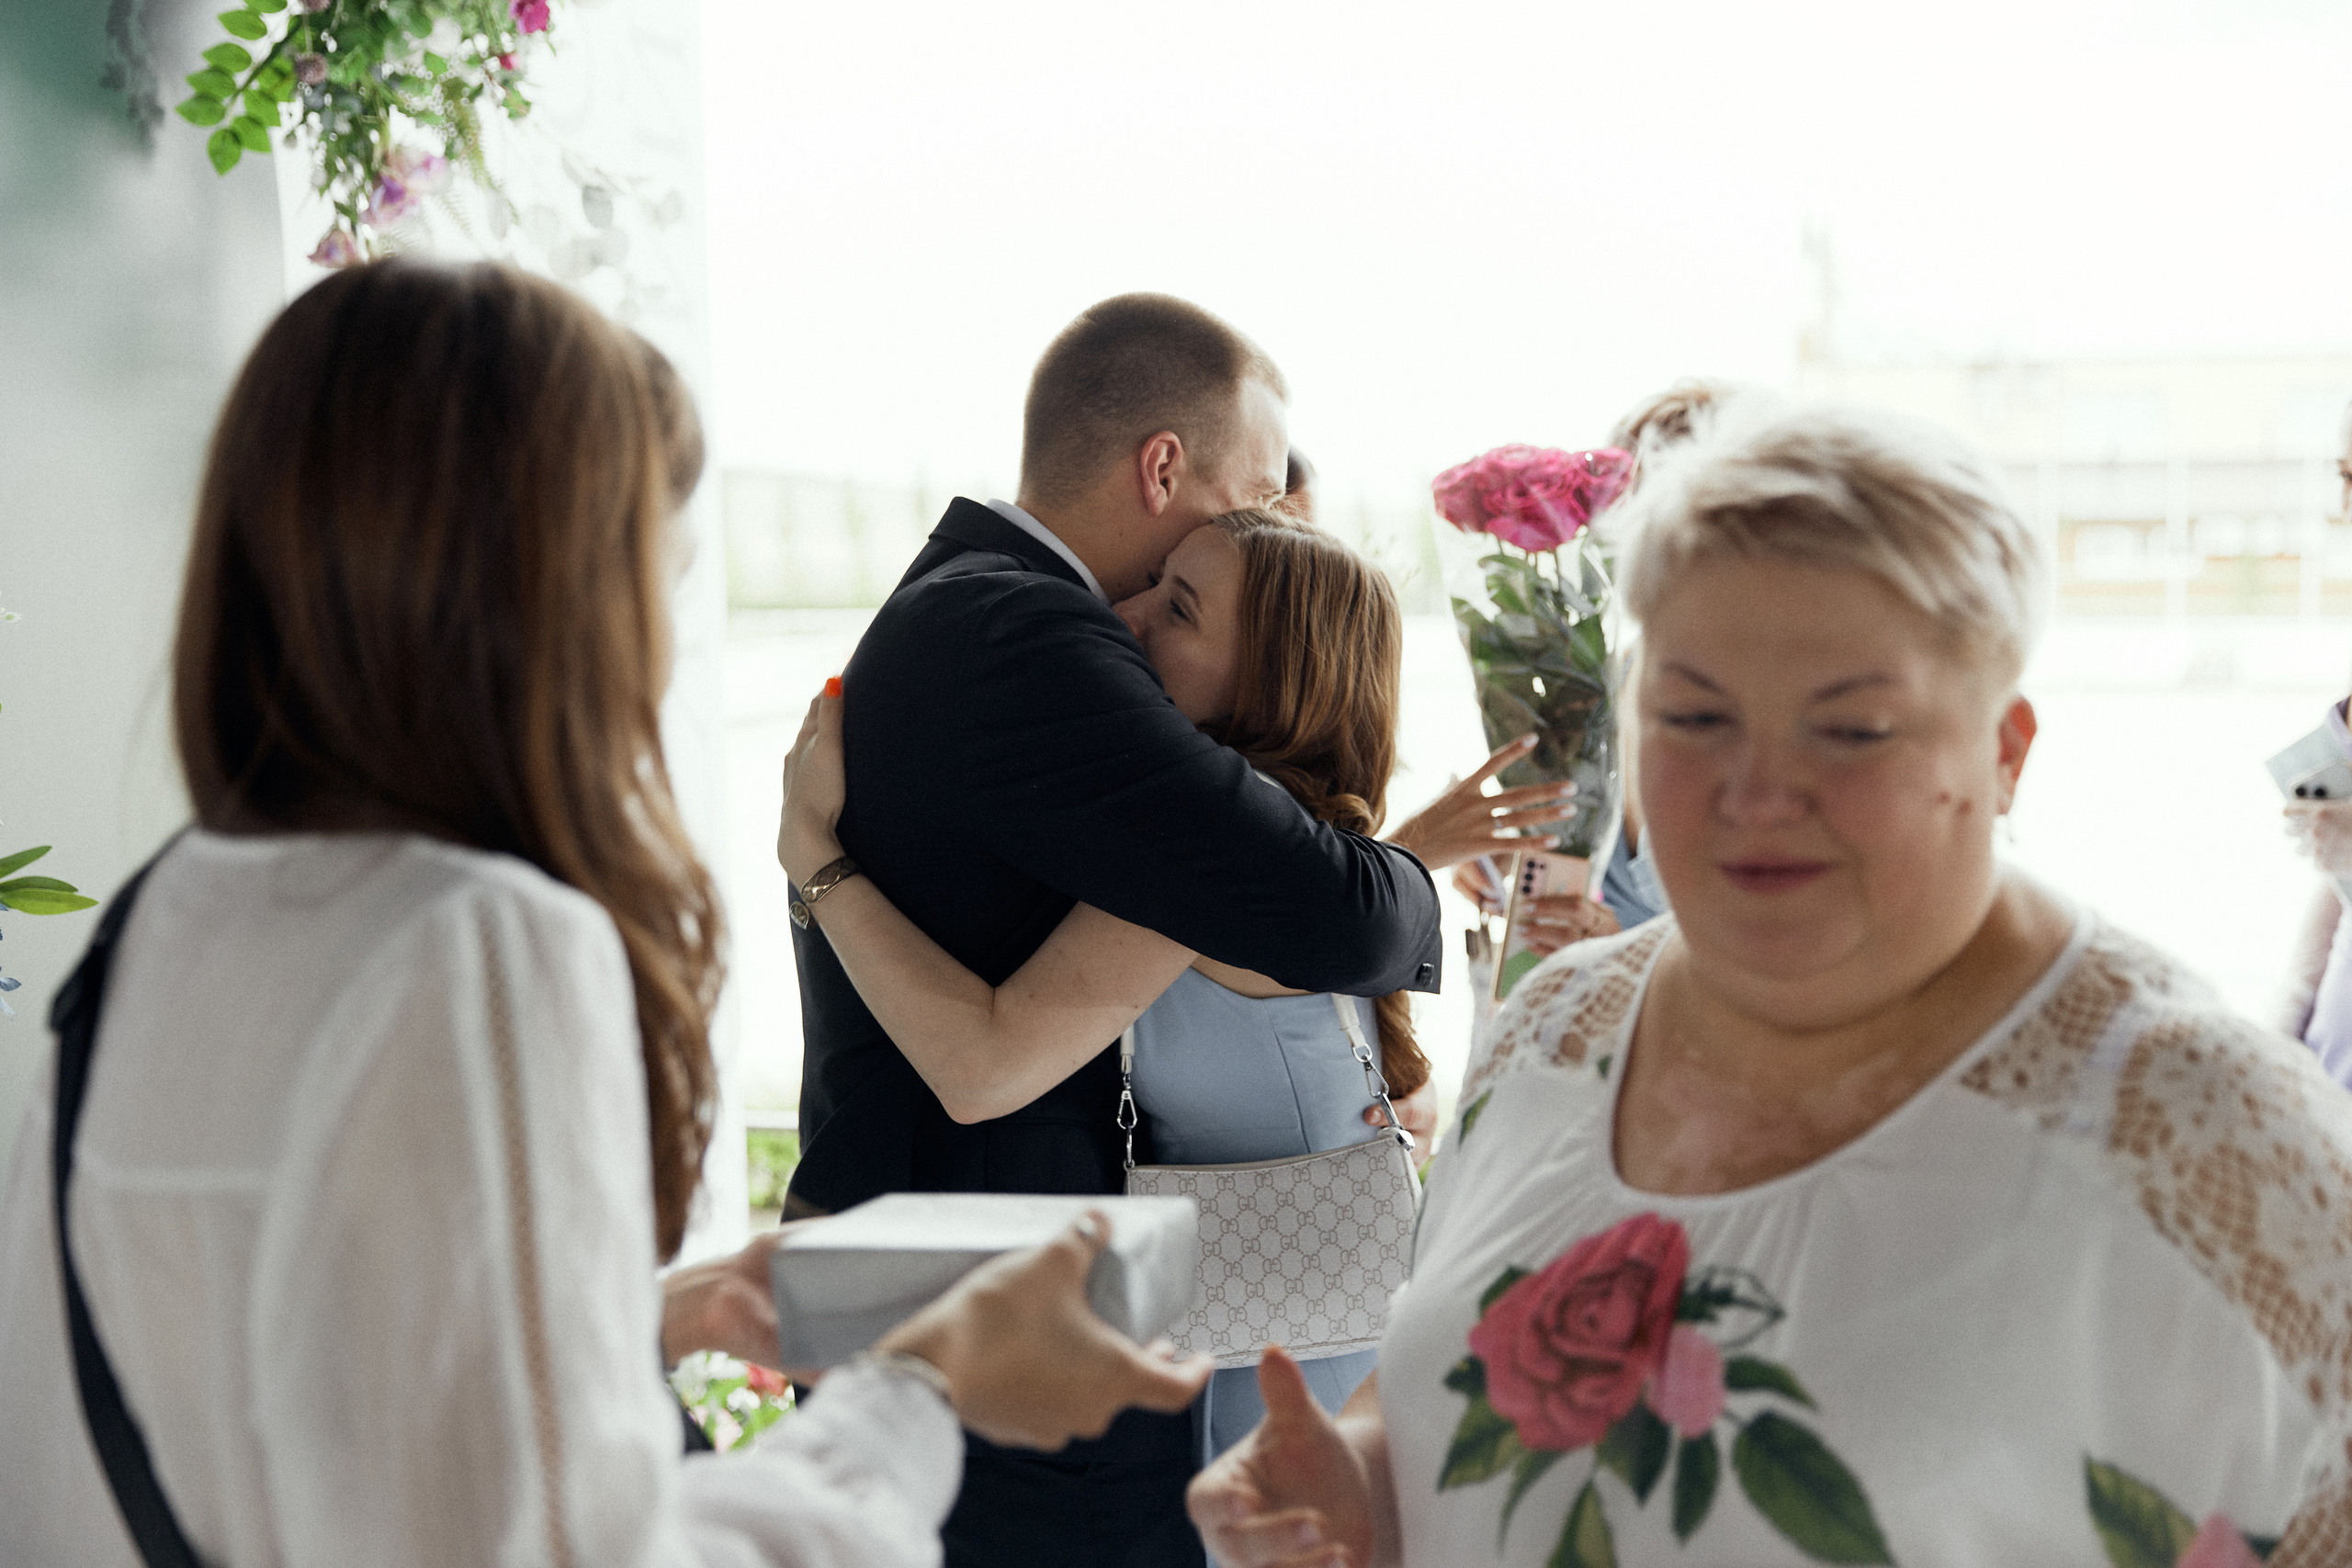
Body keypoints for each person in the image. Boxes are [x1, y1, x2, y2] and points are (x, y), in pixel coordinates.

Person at [0, 259, 1209, 1568]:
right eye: (658, 575)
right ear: (553, 596)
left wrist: (623, 1320)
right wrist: (921, 1389)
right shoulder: (476, 942)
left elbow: (294, 1405)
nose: (663, 649)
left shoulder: (160, 917)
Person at [1192, 399, 2352, 1567]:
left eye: (1850, 731)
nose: (1753, 792)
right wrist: (1354, 1484)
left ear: (2004, 753)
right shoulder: (1557, 1024)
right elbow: (1434, 1393)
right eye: (1694, 715)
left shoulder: (2201, 1135)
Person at [785, 294, 1449, 1566]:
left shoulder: (969, 603)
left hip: (991, 1285)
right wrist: (1412, 875)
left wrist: (816, 867)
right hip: (987, 1295)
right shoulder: (1032, 630)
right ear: (1162, 467)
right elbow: (1336, 908)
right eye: (1252, 487)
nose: (1262, 515)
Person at [775, 509, 1576, 1471]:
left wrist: (814, 858)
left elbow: (979, 1067)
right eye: (1156, 581)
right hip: (1282, 1319)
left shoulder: (1210, 875)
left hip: (1289, 1348)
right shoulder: (1289, 859)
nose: (1126, 614)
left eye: (1181, 608)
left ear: (1272, 679)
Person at [1451, 381, 1738, 947]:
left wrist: (1621, 947)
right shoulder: (1598, 679)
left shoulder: (1767, 711)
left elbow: (1787, 943)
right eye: (1620, 508)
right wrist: (1508, 857)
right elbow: (1575, 856)